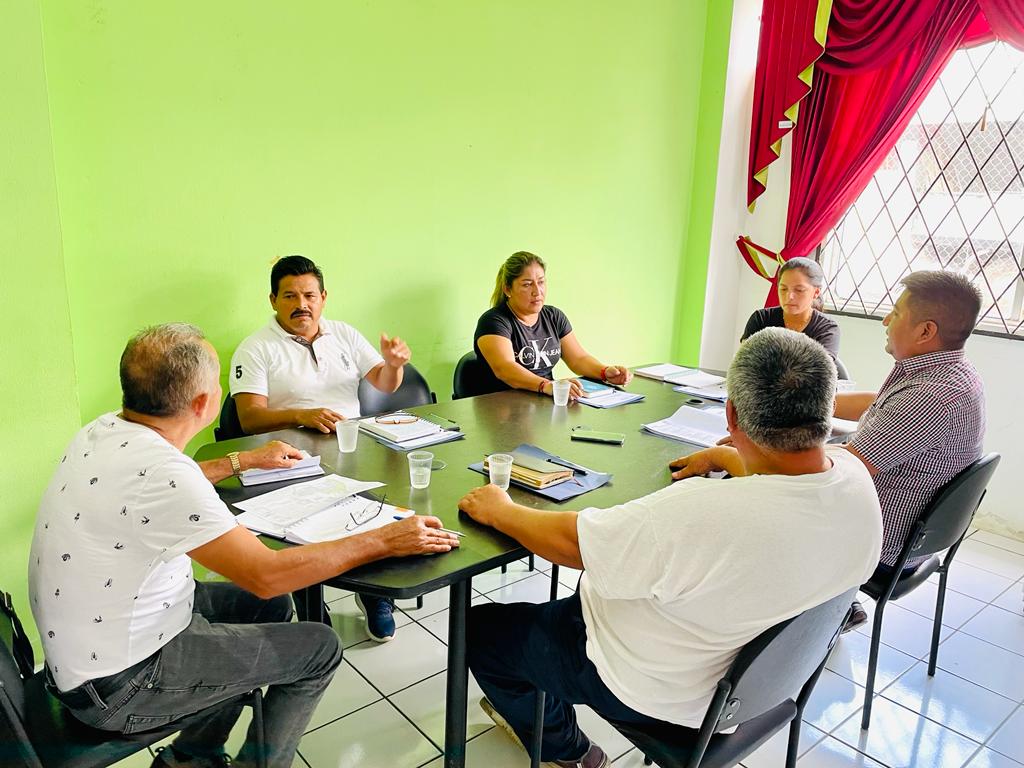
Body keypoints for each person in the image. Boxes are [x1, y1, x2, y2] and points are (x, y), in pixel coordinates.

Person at [29, 324, 459, 768]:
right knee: (320, 648)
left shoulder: (105, 430)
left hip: (93, 650)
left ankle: (193, 756)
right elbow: (266, 574)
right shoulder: (165, 474)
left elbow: (165, 484)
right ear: (204, 404)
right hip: (120, 683)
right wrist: (384, 539)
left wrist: (244, 460)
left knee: (267, 609)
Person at [458, 328, 882, 767]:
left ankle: (566, 751)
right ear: (827, 408)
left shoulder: (700, 513)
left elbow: (572, 545)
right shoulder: (855, 480)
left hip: (653, 688)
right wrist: (723, 457)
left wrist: (501, 510)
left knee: (482, 631)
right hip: (763, 684)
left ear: (732, 416)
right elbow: (784, 485)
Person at [230, 254, 412, 640]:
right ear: (273, 300)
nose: (302, 305)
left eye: (310, 295)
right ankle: (310, 599)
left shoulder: (344, 333)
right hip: (288, 460)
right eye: (290, 296)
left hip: (350, 449)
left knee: (374, 514)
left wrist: (394, 365)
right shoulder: (255, 348)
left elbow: (384, 382)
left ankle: (374, 595)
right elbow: (249, 418)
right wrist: (301, 415)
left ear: (323, 297)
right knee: (301, 532)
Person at [833, 271, 985, 626]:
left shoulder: (930, 397)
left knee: (762, 496)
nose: (886, 320)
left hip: (882, 548)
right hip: (912, 537)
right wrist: (813, 401)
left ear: (925, 331)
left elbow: (844, 473)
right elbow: (880, 404)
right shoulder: (948, 371)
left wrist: (756, 452)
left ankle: (811, 618)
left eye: (897, 312)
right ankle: (834, 604)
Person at [473, 251, 632, 399]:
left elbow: (578, 359)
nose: (537, 291)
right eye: (527, 284)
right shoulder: (493, 321)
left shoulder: (553, 316)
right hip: (503, 406)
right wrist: (546, 385)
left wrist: (604, 372)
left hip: (543, 402)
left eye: (541, 282)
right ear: (508, 289)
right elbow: (505, 369)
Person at [741, 257, 840, 359]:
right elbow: (744, 361)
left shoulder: (826, 329)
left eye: (799, 290)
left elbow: (820, 367)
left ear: (816, 292)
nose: (790, 296)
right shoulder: (761, 319)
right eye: (783, 289)